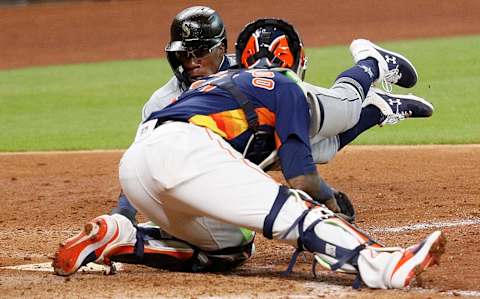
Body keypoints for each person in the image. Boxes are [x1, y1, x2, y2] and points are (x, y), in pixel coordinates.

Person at [52, 18, 445, 289]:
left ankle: (122, 237)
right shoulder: (286, 85)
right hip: (187, 153)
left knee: (229, 248)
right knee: (295, 213)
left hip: (137, 166)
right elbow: (302, 179)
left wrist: (123, 211)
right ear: (295, 65)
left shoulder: (207, 85)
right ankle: (383, 266)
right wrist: (329, 201)